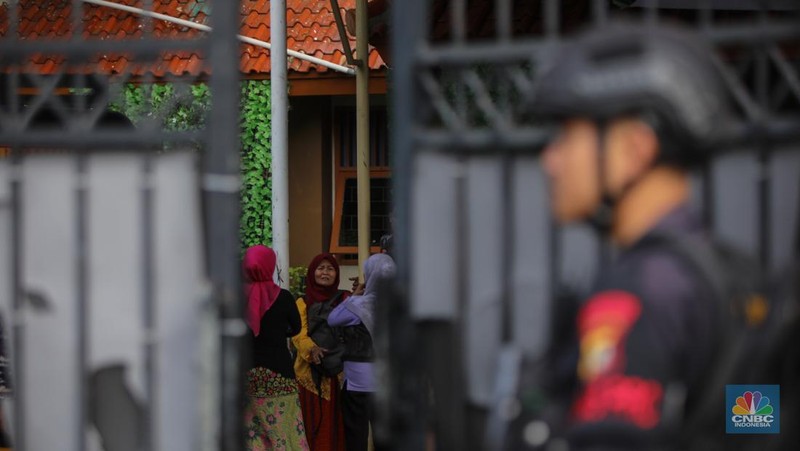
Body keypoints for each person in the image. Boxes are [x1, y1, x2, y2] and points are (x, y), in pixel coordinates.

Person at [524, 24, 734, 449]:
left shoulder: (638, 294)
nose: (551, 159)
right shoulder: (726, 275)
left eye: (568, 134)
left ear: (636, 150)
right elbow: (751, 426)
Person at [243, 245, 309, 451]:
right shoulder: (284, 297)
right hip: (279, 373)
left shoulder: (237, 298)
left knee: (251, 433)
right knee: (285, 431)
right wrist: (278, 333)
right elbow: (296, 328)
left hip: (246, 374)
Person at [328, 253, 396, 451]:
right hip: (387, 381)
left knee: (355, 436)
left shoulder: (357, 304)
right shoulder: (399, 304)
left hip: (357, 384)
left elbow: (333, 318)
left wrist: (356, 294)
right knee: (386, 439)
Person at [292, 253, 348, 451]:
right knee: (311, 427)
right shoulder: (302, 302)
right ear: (312, 272)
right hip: (309, 375)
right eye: (321, 268)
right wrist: (312, 349)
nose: (325, 272)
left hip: (339, 375)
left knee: (336, 429)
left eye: (330, 268)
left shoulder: (346, 298)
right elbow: (298, 334)